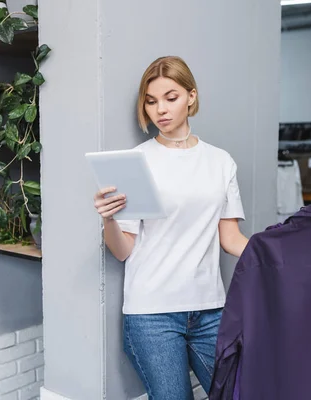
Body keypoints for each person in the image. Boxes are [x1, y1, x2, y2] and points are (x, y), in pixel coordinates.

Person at [93, 56, 249, 399]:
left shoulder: (221, 162)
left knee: (239, 393)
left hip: (211, 310)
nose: (160, 109)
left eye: (171, 97)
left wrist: (280, 251)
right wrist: (108, 218)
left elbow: (231, 239)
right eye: (151, 101)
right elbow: (123, 250)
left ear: (191, 96)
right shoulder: (137, 161)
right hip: (152, 316)